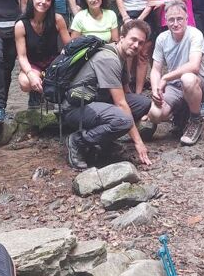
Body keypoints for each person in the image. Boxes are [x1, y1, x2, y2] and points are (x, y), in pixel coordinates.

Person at [63, 19, 154, 170]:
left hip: (98, 103)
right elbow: (120, 103)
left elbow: (126, 94)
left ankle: (103, 141)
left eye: (140, 42)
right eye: (133, 39)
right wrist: (138, 142)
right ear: (122, 38)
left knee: (143, 103)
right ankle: (78, 141)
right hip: (75, 108)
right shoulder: (109, 58)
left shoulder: (122, 56)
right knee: (123, 119)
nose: (136, 45)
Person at [144, 1, 204, 146]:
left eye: (179, 19)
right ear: (166, 21)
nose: (175, 23)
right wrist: (156, 88)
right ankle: (180, 114)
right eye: (171, 20)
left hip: (199, 83)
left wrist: (166, 77)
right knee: (156, 115)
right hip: (175, 86)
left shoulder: (195, 34)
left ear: (186, 18)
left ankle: (195, 120)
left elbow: (194, 66)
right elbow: (156, 69)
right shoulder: (162, 39)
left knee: (187, 78)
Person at [15, 0, 71, 105]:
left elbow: (69, 45)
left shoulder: (58, 19)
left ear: (51, 3)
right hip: (33, 64)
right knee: (25, 83)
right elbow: (22, 56)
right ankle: (36, 94)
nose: (43, 2)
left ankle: (51, 97)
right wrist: (30, 74)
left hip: (54, 63)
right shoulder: (21, 25)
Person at [115, 0, 159, 92]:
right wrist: (126, 18)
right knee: (127, 53)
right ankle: (125, 89)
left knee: (143, 55)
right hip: (126, 13)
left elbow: (150, 2)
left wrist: (139, 21)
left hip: (145, 15)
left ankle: (139, 92)